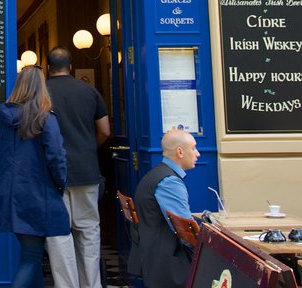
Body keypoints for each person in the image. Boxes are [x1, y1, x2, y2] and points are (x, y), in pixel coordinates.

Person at [0, 65, 70, 288]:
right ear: (40, 87)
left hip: (8, 195)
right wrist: (60, 185)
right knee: (32, 258)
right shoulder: (45, 117)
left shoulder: (1, 117)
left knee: (30, 253)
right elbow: (56, 157)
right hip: (37, 195)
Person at [44, 46, 111, 288]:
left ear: (48, 68)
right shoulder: (89, 91)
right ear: (70, 67)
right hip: (87, 171)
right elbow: (105, 130)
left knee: (59, 235)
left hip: (53, 174)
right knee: (89, 232)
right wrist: (89, 148)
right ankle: (92, 285)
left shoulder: (42, 93)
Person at [128, 129, 200, 288]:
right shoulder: (169, 182)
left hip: (151, 255)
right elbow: (187, 232)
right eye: (194, 148)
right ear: (180, 152)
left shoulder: (157, 174)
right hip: (166, 263)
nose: (198, 153)